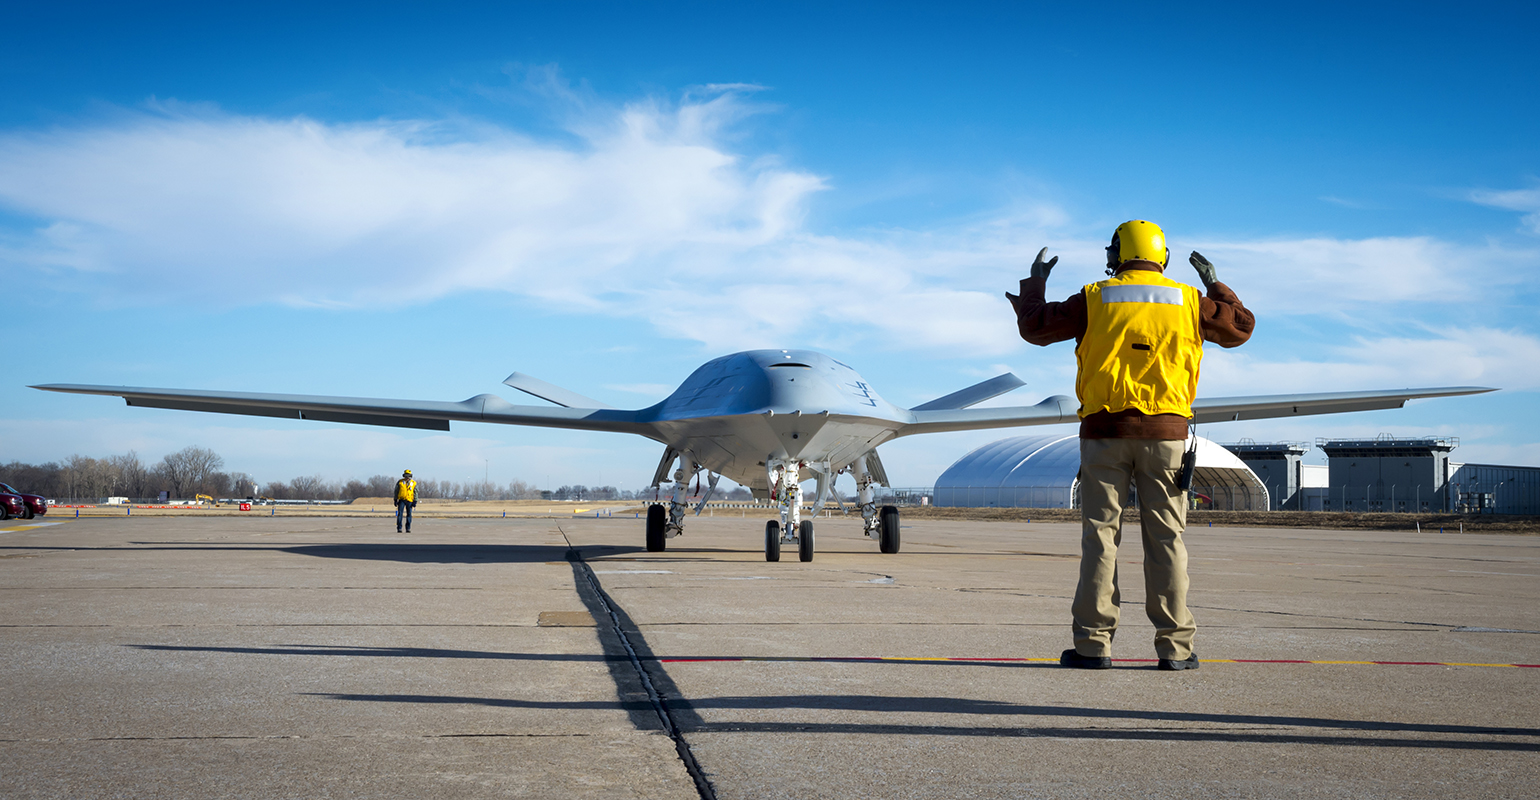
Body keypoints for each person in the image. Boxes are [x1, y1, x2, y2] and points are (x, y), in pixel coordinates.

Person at [1007, 220, 1254, 671]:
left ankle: (1093, 647)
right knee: (1167, 540)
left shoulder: (1094, 297)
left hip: (1104, 434)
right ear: (1161, 256)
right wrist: (1215, 283)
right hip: (1166, 437)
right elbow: (1240, 328)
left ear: (1116, 254)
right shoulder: (1188, 301)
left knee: (1101, 538)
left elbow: (1035, 328)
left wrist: (1036, 283)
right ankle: (1176, 649)